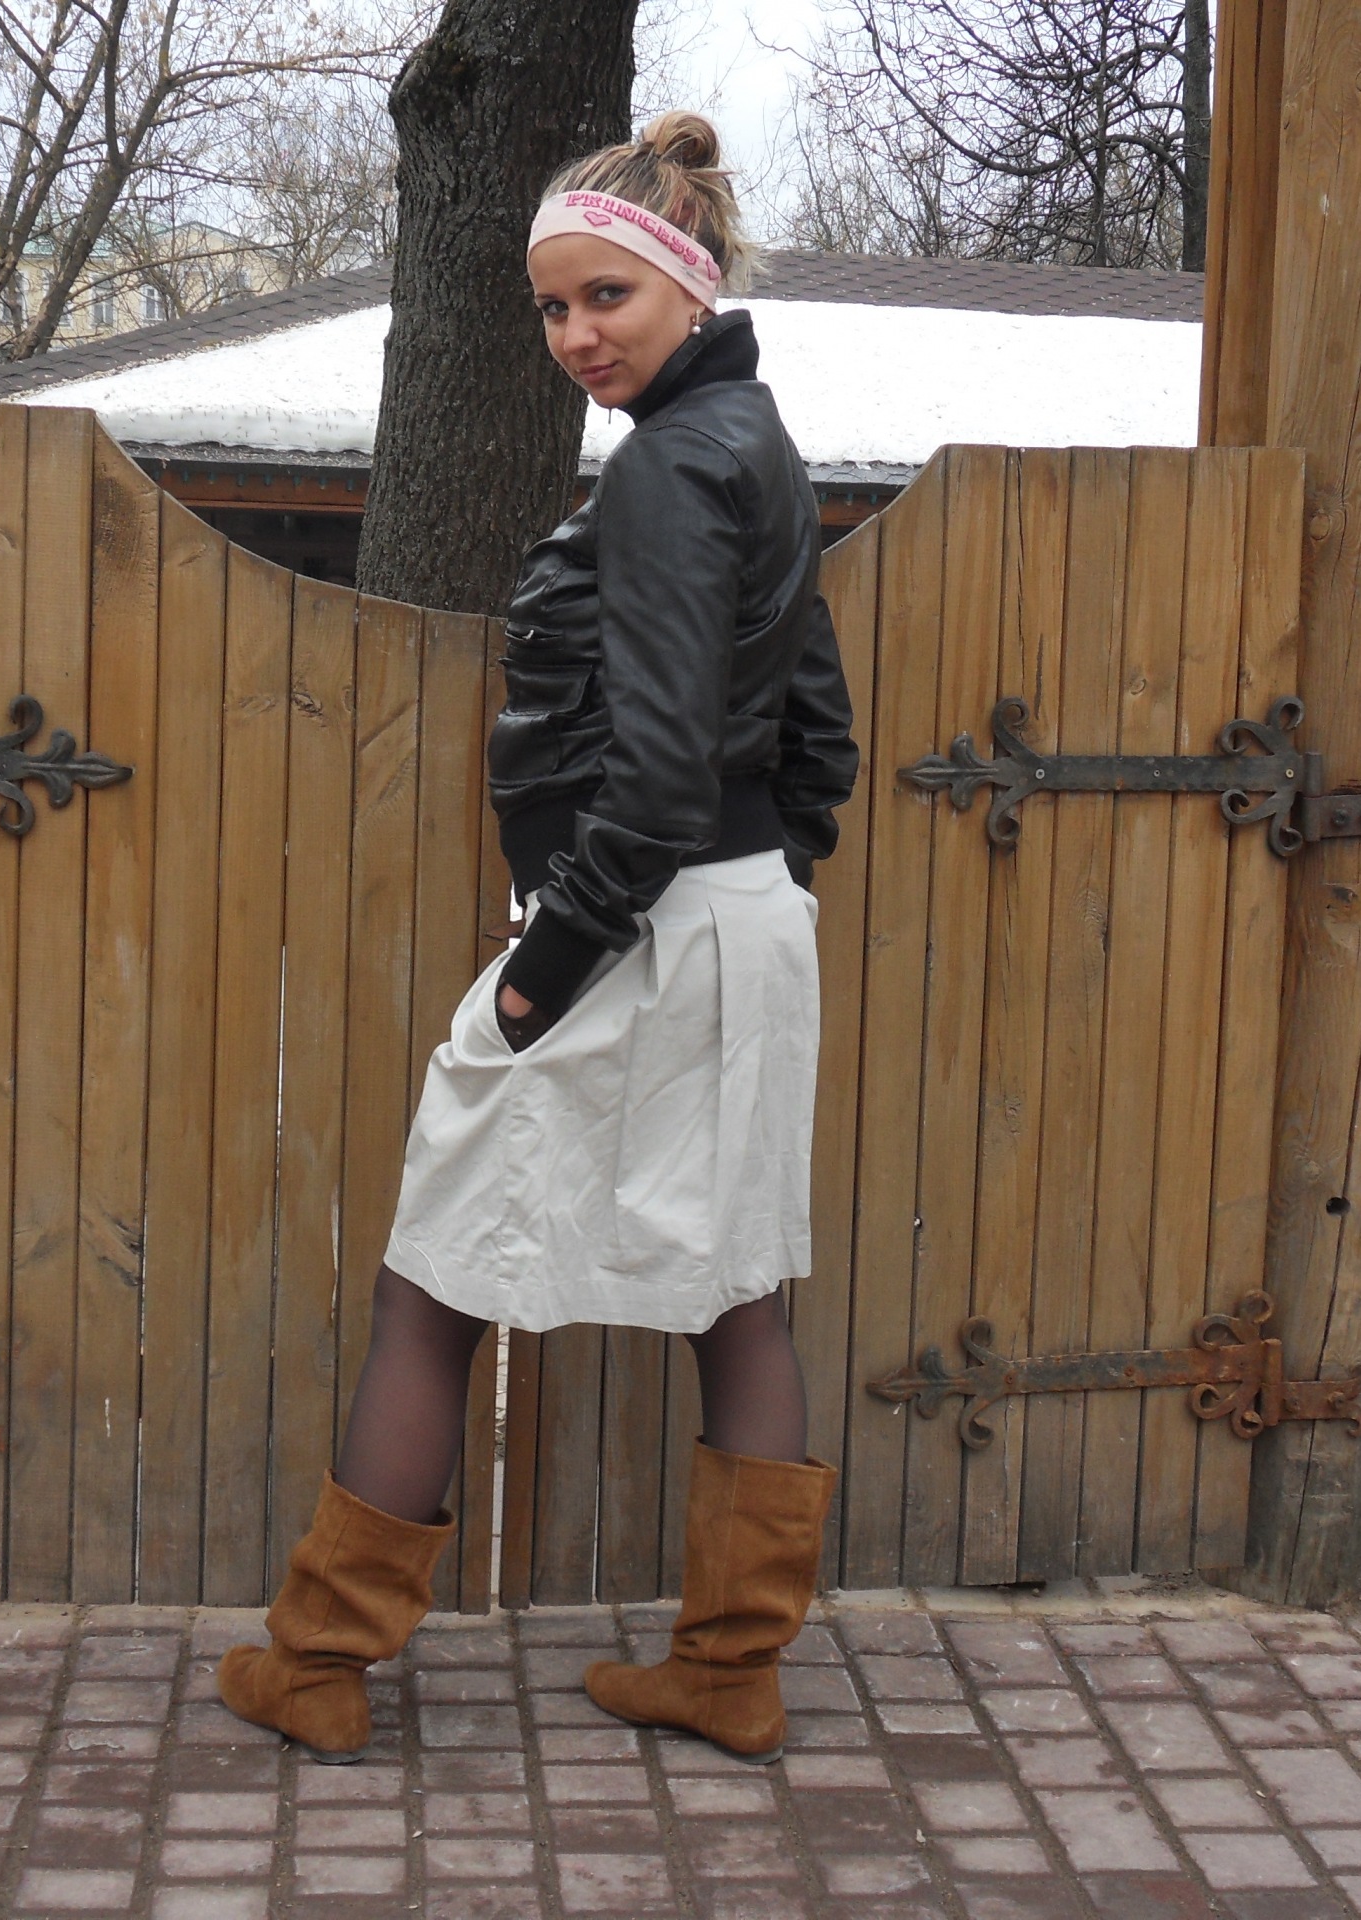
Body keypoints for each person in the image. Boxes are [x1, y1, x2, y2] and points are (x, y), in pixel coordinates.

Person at [218, 110, 860, 1768]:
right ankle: (731, 1670)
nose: (577, 335)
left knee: (434, 1287)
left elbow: (655, 775)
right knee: (739, 1294)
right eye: (553, 308)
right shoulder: (758, 443)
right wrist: (761, 879)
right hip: (740, 926)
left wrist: (538, 978)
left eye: (606, 299)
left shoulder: (667, 468)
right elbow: (818, 738)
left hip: (631, 927)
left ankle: (319, 1661)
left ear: (688, 283)